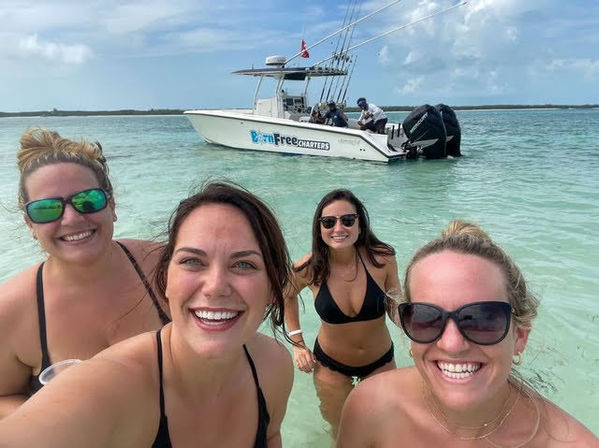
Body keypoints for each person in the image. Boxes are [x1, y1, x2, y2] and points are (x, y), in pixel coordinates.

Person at [0, 181, 294, 447]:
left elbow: (270, 437)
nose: (216, 287)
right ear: (165, 280)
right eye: (192, 261)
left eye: (244, 265)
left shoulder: (274, 365)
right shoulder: (114, 387)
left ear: (272, 287)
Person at [336, 221, 599, 447]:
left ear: (519, 336)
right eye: (427, 318)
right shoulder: (370, 406)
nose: (452, 344)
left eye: (482, 320)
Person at [0, 127, 169, 419]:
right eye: (47, 209)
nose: (72, 218)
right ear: (30, 224)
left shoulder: (165, 266)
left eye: (88, 200)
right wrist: (54, 418)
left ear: (112, 206)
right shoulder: (11, 310)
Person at [285, 189, 400, 438]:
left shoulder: (383, 258)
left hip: (381, 361)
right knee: (342, 434)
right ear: (319, 228)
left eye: (347, 220)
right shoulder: (309, 268)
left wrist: (417, 332)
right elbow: (287, 295)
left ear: (360, 223)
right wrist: (297, 344)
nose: (339, 228)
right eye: (329, 222)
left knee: (385, 432)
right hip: (331, 366)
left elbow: (395, 302)